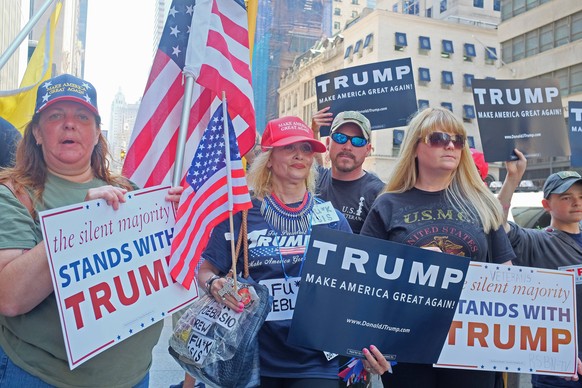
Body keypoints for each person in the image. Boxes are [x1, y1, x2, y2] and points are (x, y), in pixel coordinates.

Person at [0, 73, 182, 387]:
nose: (70, 124)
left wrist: (182, 224)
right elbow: (10, 298)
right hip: (44, 378)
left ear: (97, 133)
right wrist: (80, 225)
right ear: (38, 134)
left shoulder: (130, 191)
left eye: (82, 117)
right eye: (56, 116)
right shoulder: (15, 193)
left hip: (134, 377)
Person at [197, 116, 391, 387]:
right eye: (289, 147)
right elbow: (206, 269)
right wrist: (214, 284)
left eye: (306, 148)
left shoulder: (332, 219)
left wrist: (370, 344)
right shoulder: (241, 215)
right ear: (269, 156)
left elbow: (356, 290)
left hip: (315, 360)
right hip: (250, 356)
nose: (299, 154)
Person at [360, 107, 515, 388]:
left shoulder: (482, 204)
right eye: (439, 138)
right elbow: (363, 280)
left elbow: (507, 278)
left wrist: (549, 349)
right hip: (406, 343)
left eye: (458, 140)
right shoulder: (388, 204)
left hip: (471, 344)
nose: (450, 145)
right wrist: (365, 344)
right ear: (415, 147)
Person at [498, 149, 582, 387]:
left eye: (581, 196)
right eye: (566, 197)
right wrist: (513, 178)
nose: (576, 202)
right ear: (546, 204)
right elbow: (497, 223)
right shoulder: (536, 241)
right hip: (558, 369)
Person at [311, 108, 385, 234]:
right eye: (340, 138)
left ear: (368, 149)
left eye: (358, 141)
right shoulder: (315, 181)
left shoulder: (379, 194)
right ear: (328, 143)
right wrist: (313, 131)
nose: (347, 147)